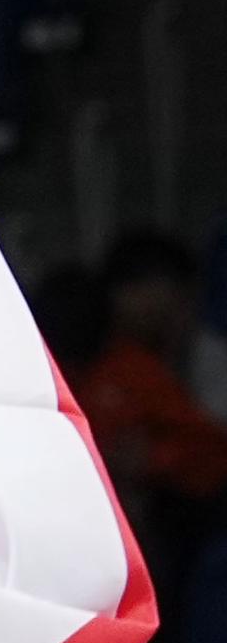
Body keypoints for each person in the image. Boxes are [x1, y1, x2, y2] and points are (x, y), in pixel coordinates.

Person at [75, 229, 227, 616]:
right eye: (172, 296)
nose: (178, 310)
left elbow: (210, 455)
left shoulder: (152, 366)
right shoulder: (118, 368)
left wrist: (156, 458)